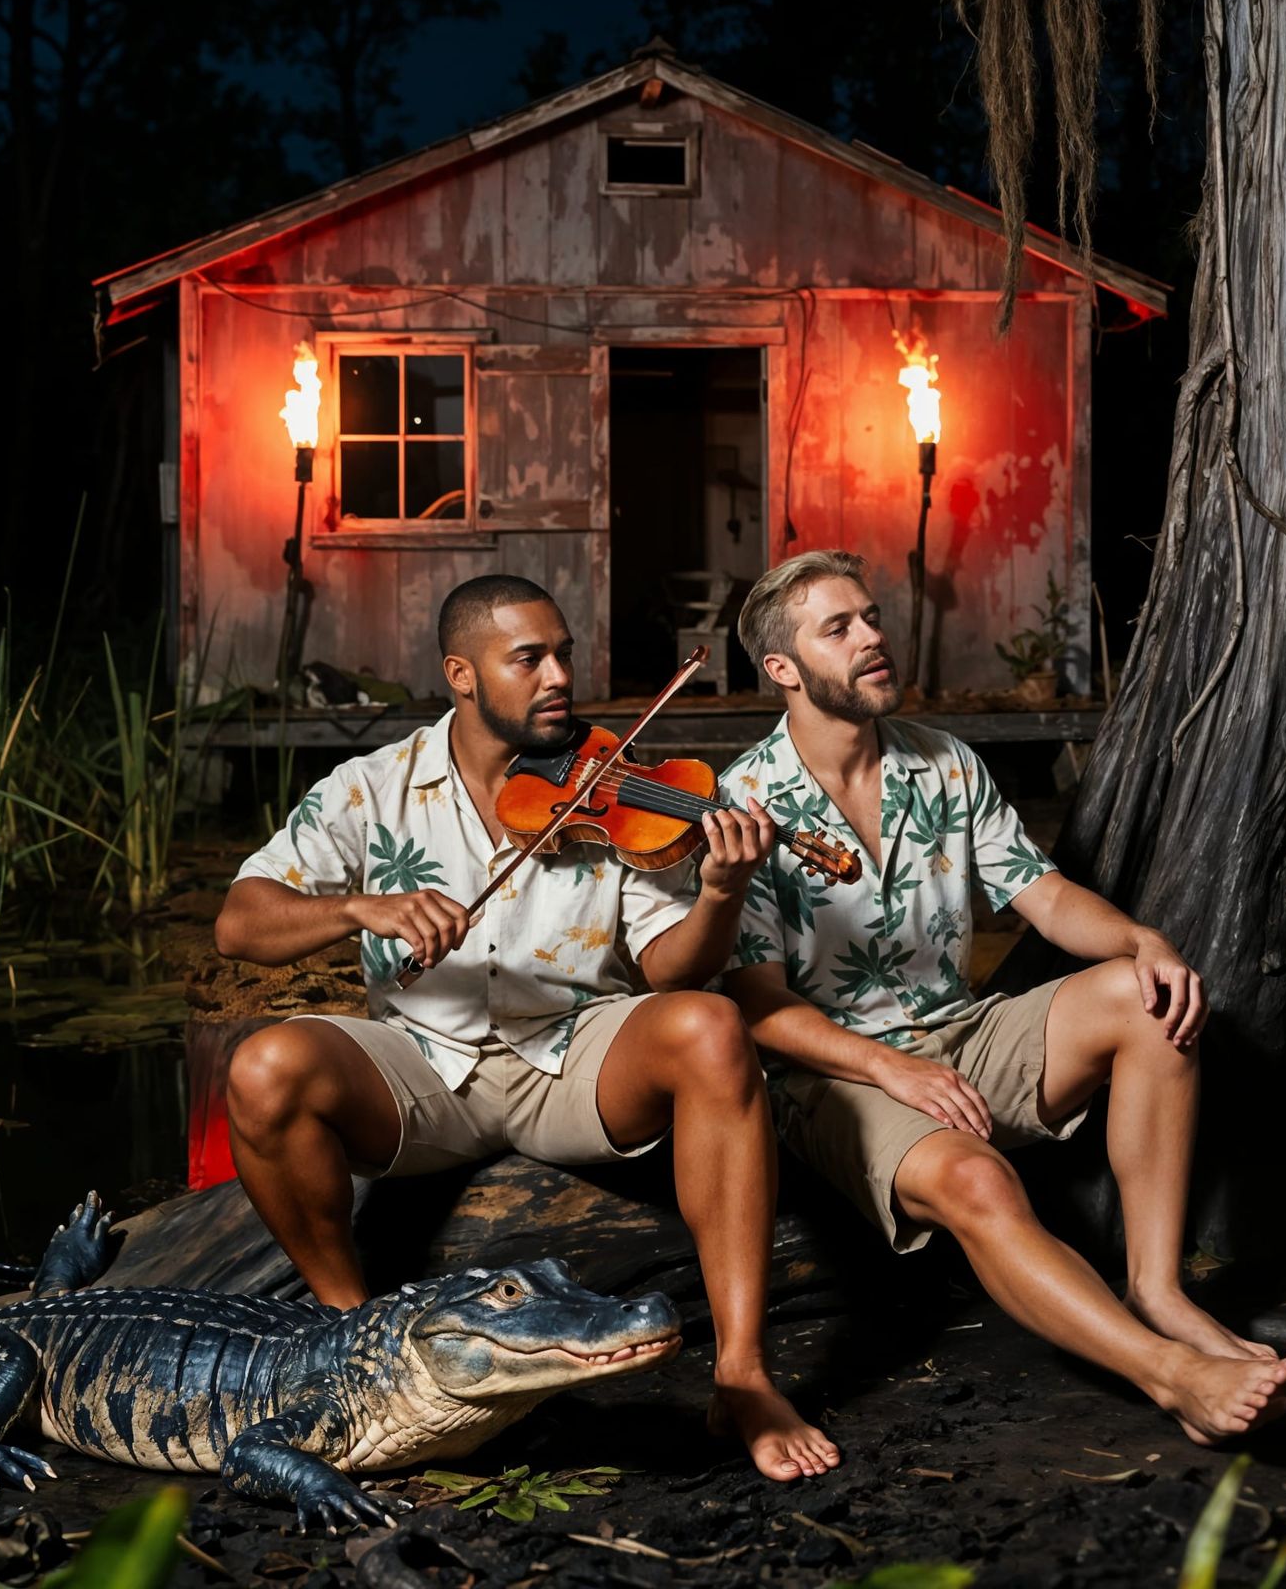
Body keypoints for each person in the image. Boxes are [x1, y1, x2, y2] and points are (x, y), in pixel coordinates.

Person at [214, 574, 840, 1482]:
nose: (560, 676)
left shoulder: (616, 783)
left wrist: (721, 890)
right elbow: (240, 923)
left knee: (709, 1027)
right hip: (421, 1066)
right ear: (461, 676)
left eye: (564, 654)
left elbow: (672, 968)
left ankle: (742, 1373)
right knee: (263, 1066)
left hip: (573, 1053)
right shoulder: (370, 788)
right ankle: (358, 1347)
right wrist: (361, 907)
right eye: (529, 659)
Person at [716, 550, 1286, 1446]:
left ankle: (1159, 1289)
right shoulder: (745, 801)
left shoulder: (943, 762)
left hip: (960, 1029)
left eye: (871, 616)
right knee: (976, 1178)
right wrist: (894, 1069)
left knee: (1143, 998)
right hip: (836, 1074)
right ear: (783, 670)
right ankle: (1173, 1375)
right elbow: (759, 1009)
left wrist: (1140, 939)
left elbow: (1047, 896)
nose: (873, 637)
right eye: (837, 629)